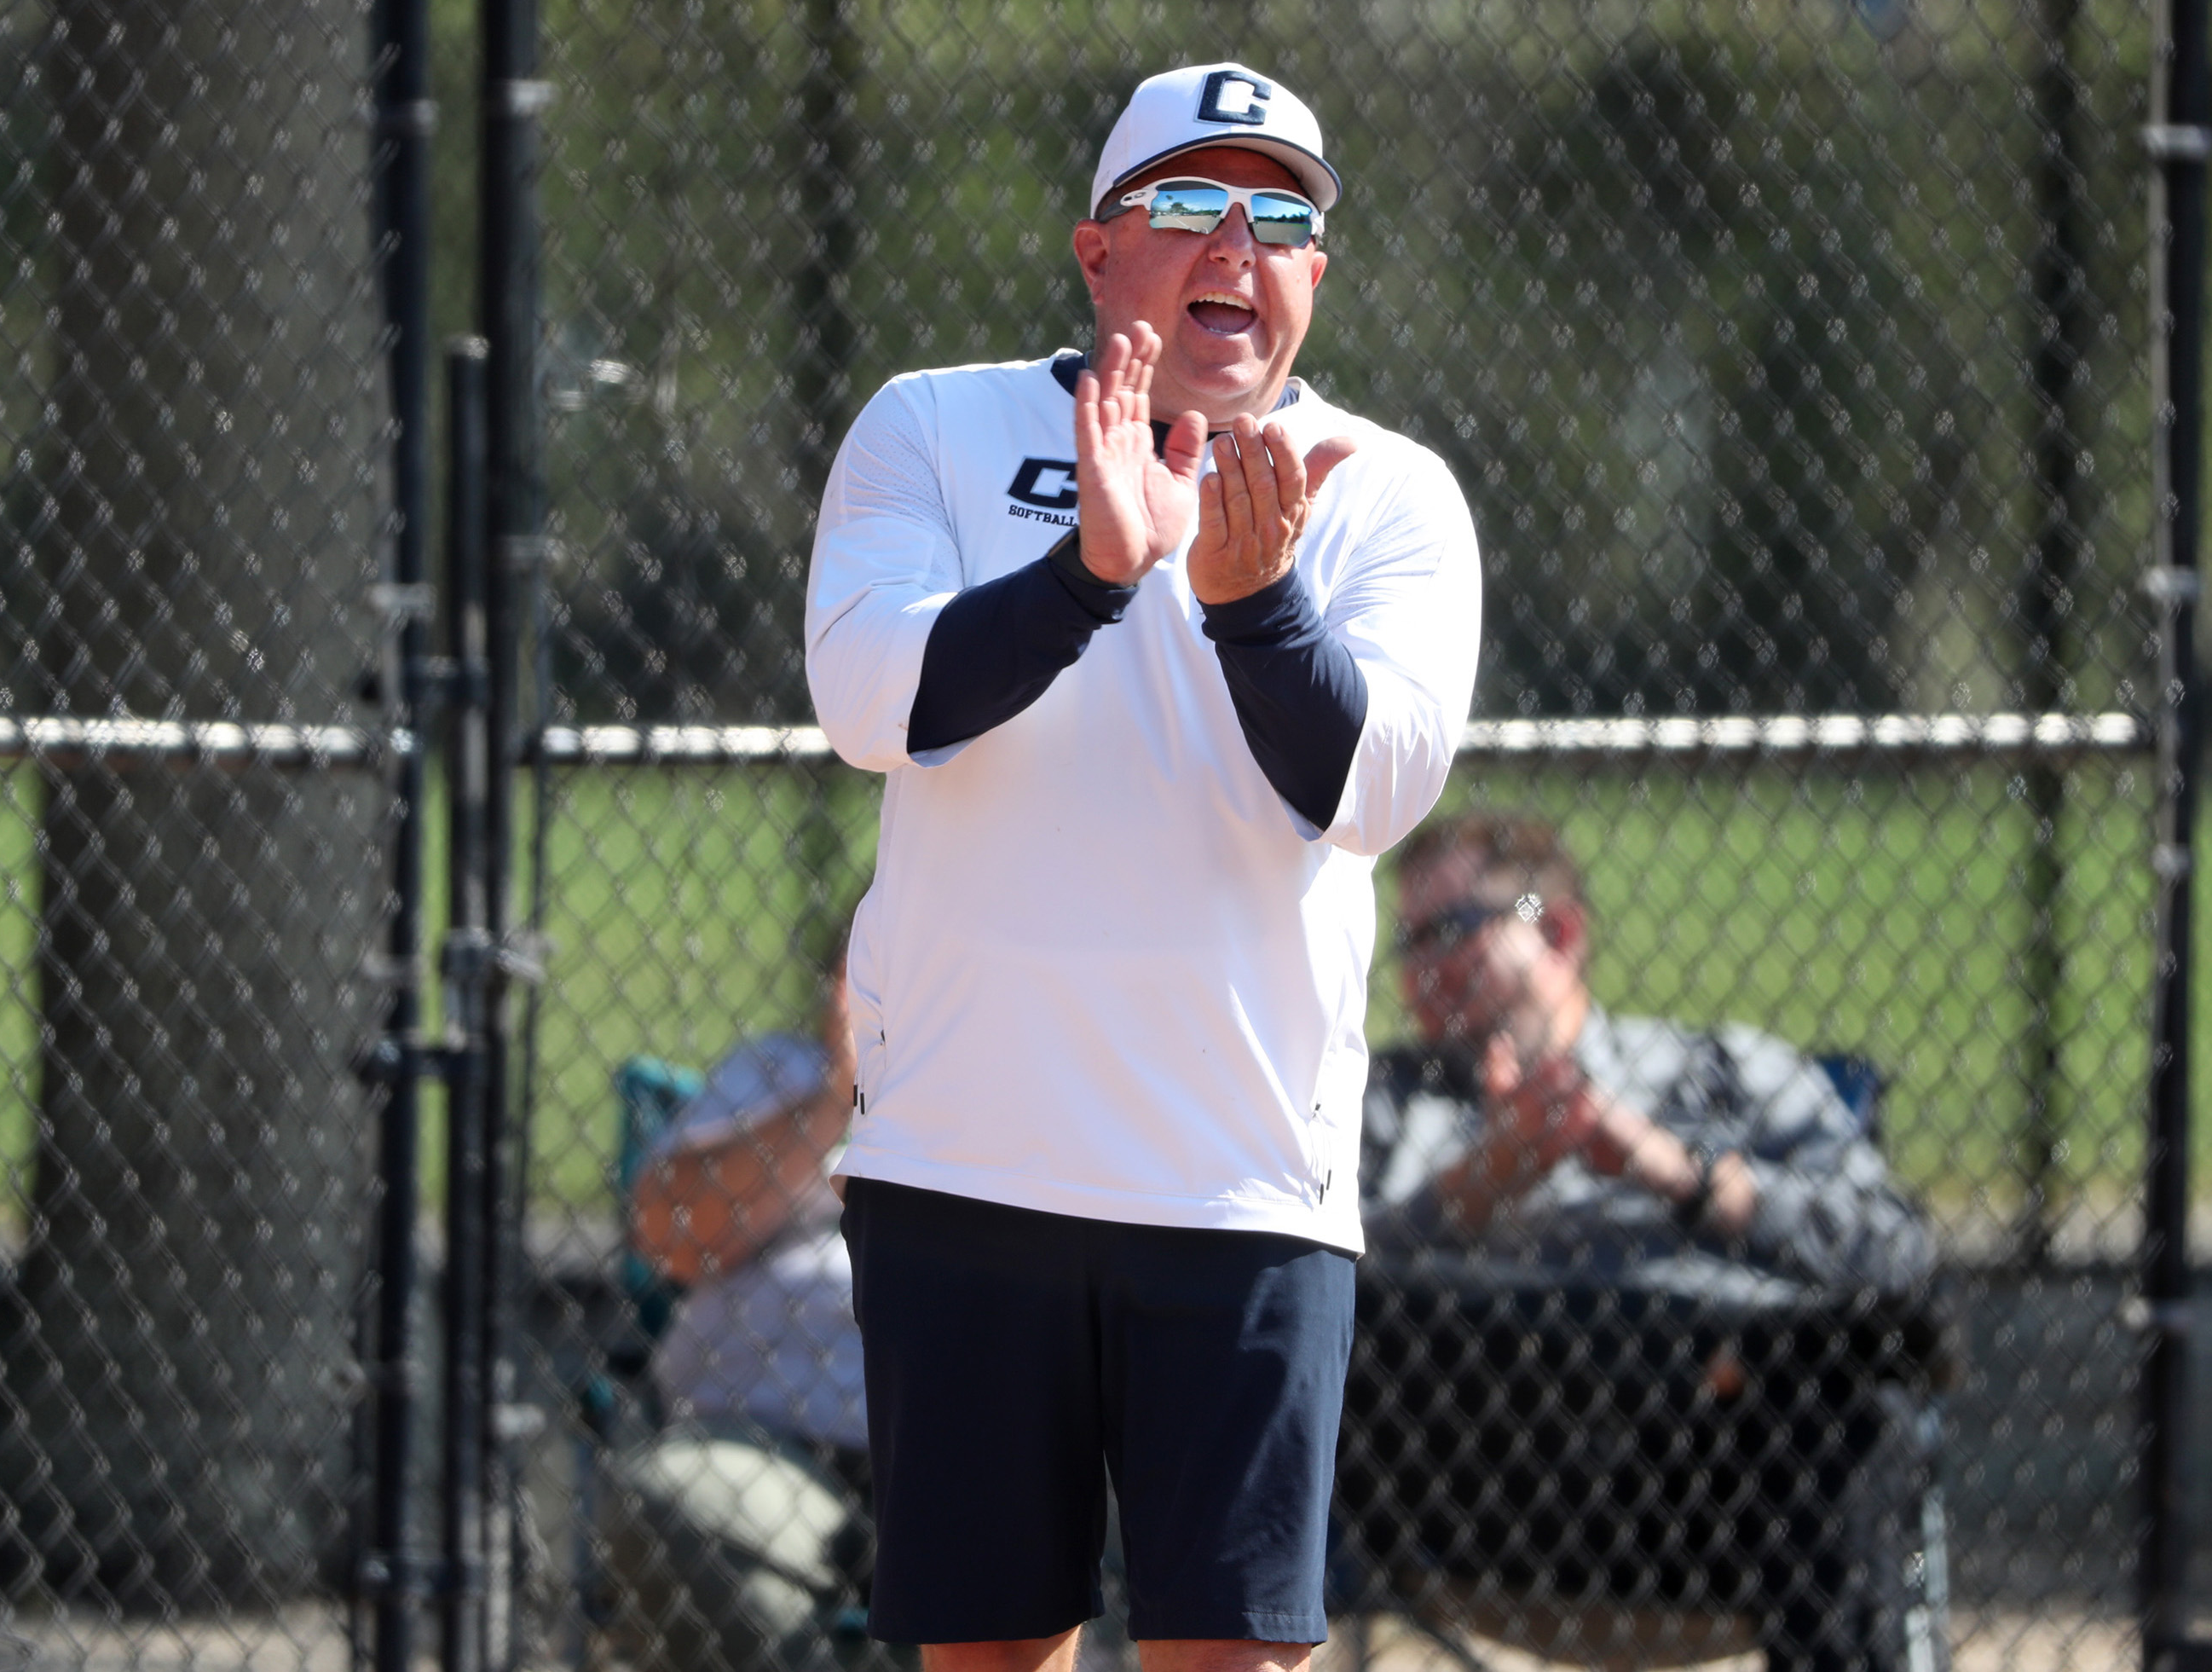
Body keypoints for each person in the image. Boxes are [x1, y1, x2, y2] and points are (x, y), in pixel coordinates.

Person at [801, 59, 1480, 1672]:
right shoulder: (936, 426)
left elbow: (1370, 785)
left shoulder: (1385, 496)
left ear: (1314, 272)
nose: (1231, 242)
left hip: (1240, 1186)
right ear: (1099, 252)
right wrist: (1094, 570)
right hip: (966, 1167)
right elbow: (870, 696)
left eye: (1277, 217)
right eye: (1186, 204)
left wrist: (1255, 603)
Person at [1350, 810, 1942, 1672]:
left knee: (1849, 1377)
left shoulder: (1722, 1071)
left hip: (1711, 1480)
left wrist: (1685, 1174)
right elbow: (1293, 1278)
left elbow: (1899, 1255)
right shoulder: (1388, 1101)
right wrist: (1476, 1184)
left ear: (1557, 929)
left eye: (1448, 932)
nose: (1418, 975)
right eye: (1405, 945)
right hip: (1456, 1487)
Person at [600, 963, 890, 1672]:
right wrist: (840, 1092)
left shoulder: (1020, 1094)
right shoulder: (777, 1070)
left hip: (960, 1440)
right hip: (770, 1442)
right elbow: (672, 1235)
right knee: (675, 1501)